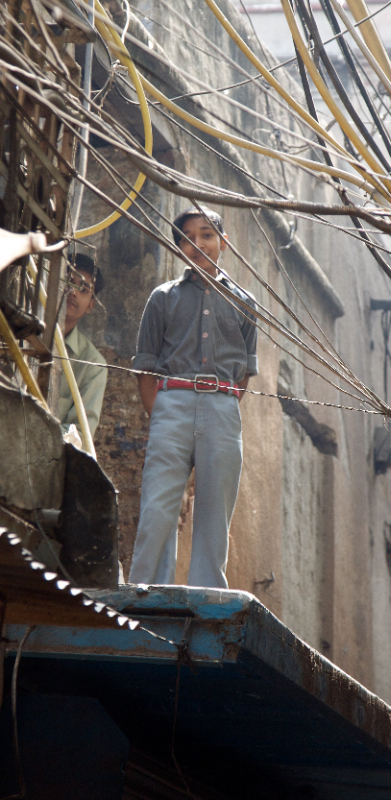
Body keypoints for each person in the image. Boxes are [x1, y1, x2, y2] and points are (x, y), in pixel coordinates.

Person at [128, 207, 258, 588]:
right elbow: (146, 366)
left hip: (223, 407)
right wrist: (163, 411)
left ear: (223, 243)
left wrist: (221, 404)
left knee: (214, 515)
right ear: (178, 245)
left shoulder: (246, 303)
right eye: (187, 236)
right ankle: (147, 595)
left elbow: (245, 373)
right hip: (171, 404)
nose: (197, 243)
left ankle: (206, 603)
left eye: (206, 234)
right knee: (157, 509)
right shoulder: (162, 298)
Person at [58, 254, 107, 439]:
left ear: (91, 305)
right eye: (69, 282)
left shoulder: (93, 365)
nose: (73, 292)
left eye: (84, 290)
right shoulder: (19, 333)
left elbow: (78, 435)